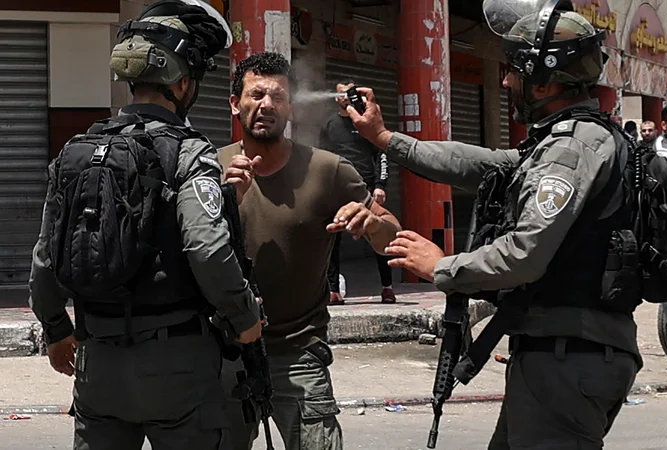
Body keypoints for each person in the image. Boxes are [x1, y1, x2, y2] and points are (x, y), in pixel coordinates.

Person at [347, 0, 641, 447]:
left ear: (543, 82)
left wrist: (442, 267)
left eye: (516, 70)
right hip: (566, 356)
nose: (505, 81)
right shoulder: (571, 139)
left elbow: (526, 253)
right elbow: (480, 164)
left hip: (567, 360)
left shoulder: (568, 150)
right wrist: (386, 139)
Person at [28, 1, 263, 449]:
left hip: (97, 365)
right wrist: (244, 316)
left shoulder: (77, 151)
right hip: (178, 369)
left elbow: (44, 260)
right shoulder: (190, 152)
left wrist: (57, 331)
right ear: (181, 82)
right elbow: (208, 249)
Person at [218, 52, 401, 450]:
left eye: (278, 96)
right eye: (256, 94)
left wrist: (371, 224)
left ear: (291, 107)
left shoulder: (328, 170)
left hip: (298, 354)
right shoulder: (209, 168)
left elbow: (395, 239)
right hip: (223, 356)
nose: (266, 104)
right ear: (236, 104)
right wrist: (227, 202)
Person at [319, 78, 395, 305]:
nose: (345, 98)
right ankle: (333, 290)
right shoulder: (330, 125)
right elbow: (322, 157)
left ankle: (387, 287)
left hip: (367, 189)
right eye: (341, 94)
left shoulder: (365, 122)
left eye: (349, 93)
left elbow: (382, 153)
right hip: (338, 188)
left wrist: (381, 185)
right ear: (336, 98)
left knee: (379, 234)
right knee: (331, 237)